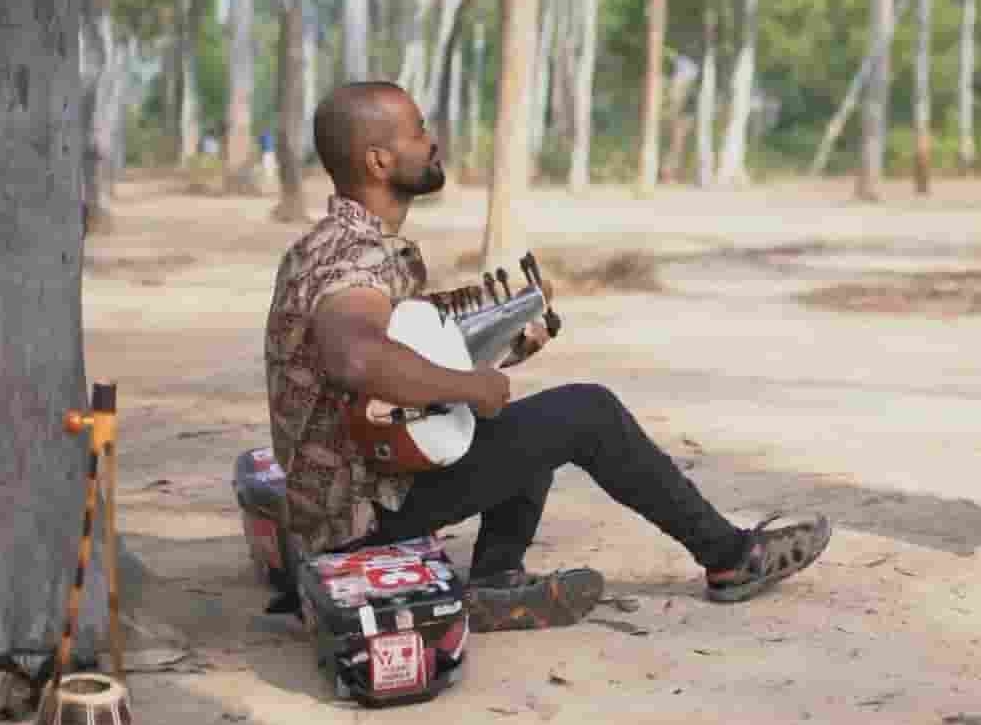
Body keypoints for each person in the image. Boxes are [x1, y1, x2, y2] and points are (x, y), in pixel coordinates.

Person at [264, 80, 832, 632]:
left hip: (364, 496)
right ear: (379, 162)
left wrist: (494, 356)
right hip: (357, 524)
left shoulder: (340, 245)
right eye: (418, 132)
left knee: (526, 426)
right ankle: (730, 556)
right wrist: (468, 387)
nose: (432, 141)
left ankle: (495, 579)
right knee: (586, 412)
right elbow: (357, 359)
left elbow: (384, 391)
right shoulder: (350, 257)